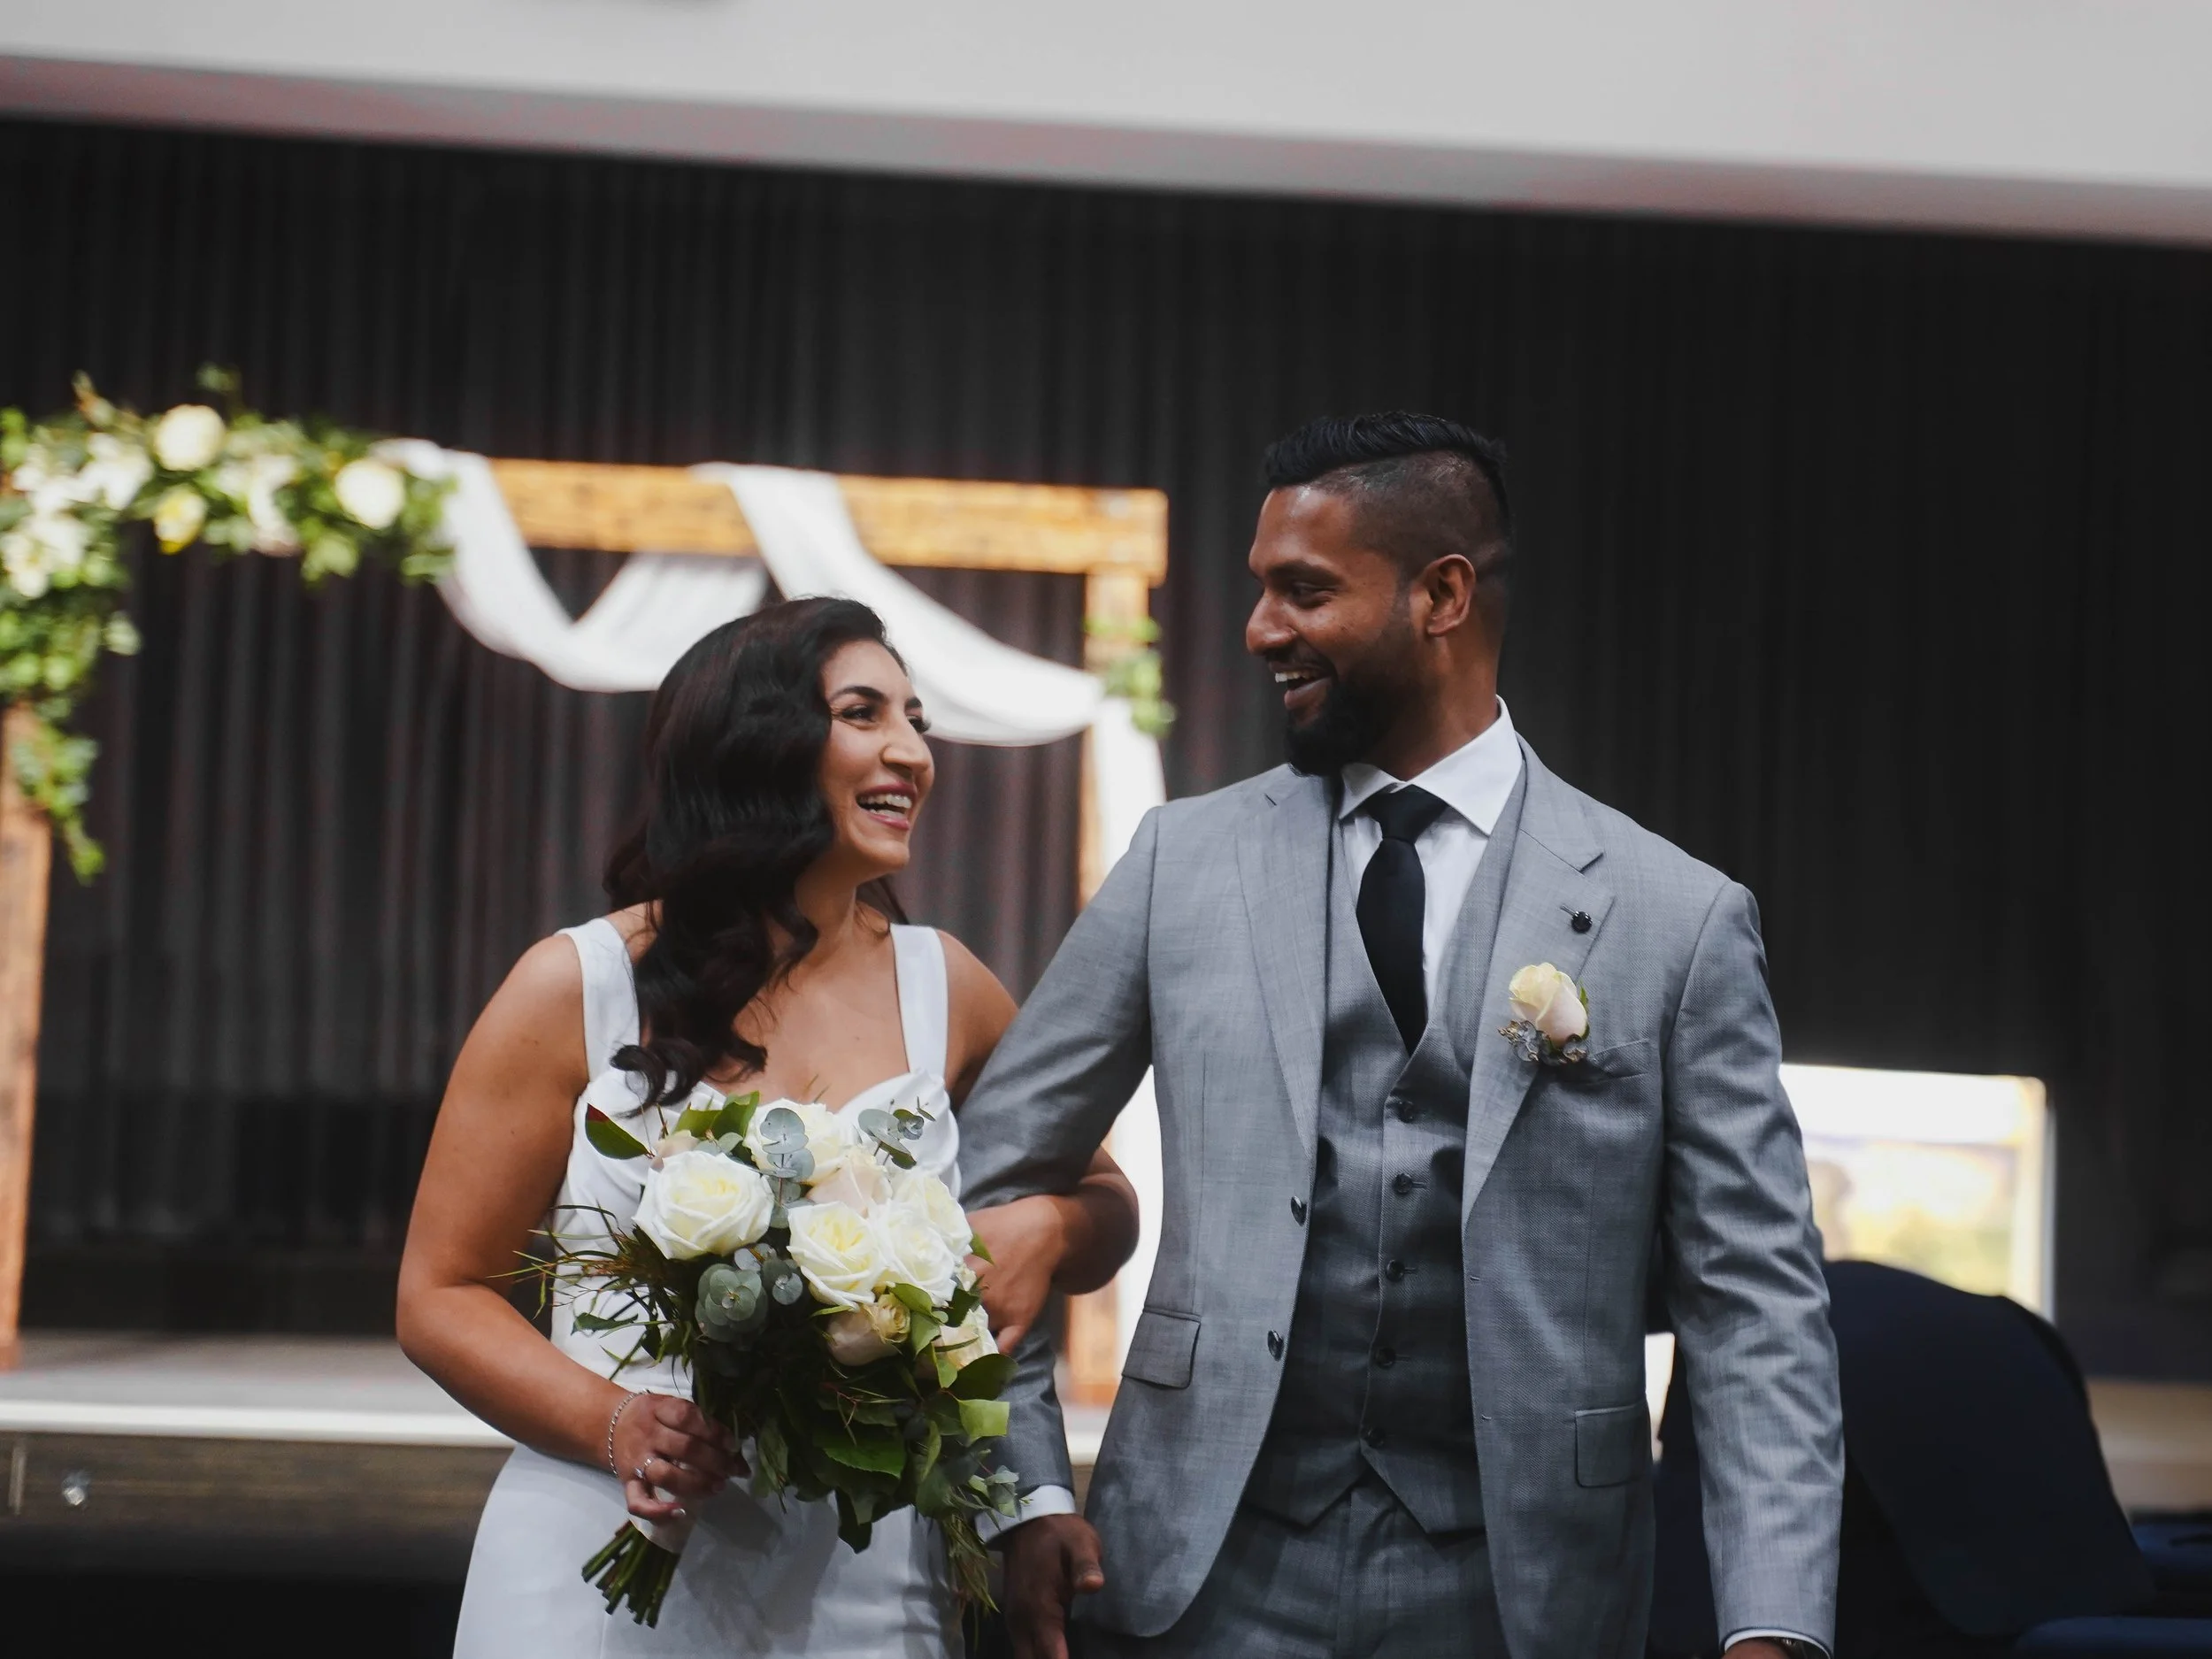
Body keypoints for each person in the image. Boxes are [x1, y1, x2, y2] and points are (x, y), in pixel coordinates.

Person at [958, 412, 1845, 1659]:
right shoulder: (1182, 863)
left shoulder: (1675, 916)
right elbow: (991, 1176)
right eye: (1263, 589)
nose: (1262, 628)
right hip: (1196, 1574)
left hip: (1524, 1593)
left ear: (1441, 595)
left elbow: (1756, 1304)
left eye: (1305, 591)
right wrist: (1031, 1489)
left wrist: (1775, 1622)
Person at [397, 597, 1140, 1659]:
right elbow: (440, 1294)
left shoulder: (949, 986)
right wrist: (615, 1425)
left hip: (866, 1578)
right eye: (863, 713)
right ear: (759, 746)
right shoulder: (579, 985)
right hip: (602, 1552)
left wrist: (1054, 1233)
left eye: (917, 720)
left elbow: (1108, 1203)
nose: (910, 751)